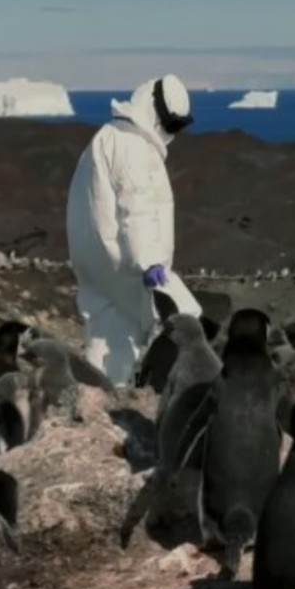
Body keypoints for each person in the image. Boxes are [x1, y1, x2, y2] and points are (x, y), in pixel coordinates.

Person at [66, 73, 203, 387]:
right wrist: (149, 260)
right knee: (181, 318)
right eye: (171, 123)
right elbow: (135, 204)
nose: (172, 131)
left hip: (95, 259)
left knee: (110, 330)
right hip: (127, 258)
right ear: (154, 110)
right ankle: (162, 392)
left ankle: (105, 393)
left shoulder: (107, 137)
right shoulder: (132, 146)